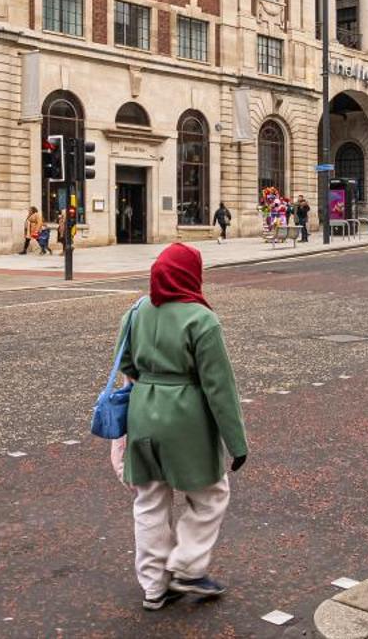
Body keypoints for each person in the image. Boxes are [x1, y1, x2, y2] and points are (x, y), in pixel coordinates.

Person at [116, 242, 247, 610]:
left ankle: (154, 587)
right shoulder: (201, 319)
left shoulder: (138, 310)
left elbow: (126, 363)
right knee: (211, 495)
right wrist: (237, 443)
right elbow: (220, 388)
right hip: (185, 418)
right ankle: (187, 567)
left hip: (142, 412)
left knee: (149, 500)